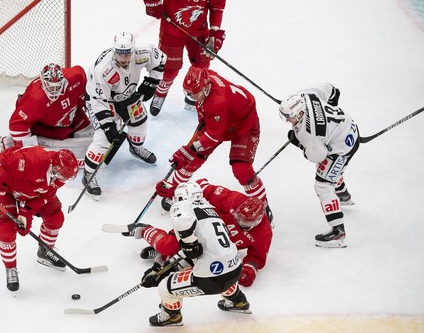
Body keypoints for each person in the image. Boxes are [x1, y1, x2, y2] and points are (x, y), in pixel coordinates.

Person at [155, 66, 273, 225]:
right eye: (187, 93)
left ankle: (261, 205)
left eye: (194, 93)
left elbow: (213, 136)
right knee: (189, 160)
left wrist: (188, 150)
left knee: (242, 170)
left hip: (244, 125)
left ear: (206, 87)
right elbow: (200, 66)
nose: (191, 97)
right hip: (218, 120)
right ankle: (175, 192)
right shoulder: (205, 78)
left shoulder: (216, 102)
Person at [139, 182, 251, 327]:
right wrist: (163, 269)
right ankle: (238, 300)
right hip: (235, 269)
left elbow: (185, 227)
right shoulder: (210, 210)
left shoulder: (183, 207)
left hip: (212, 279)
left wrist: (189, 243)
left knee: (165, 287)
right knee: (220, 266)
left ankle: (171, 316)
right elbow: (197, 253)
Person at [134, 178, 272, 288]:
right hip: (198, 227)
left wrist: (249, 269)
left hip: (216, 249)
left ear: (257, 221)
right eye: (238, 217)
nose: (240, 222)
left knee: (190, 267)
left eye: (246, 222)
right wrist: (174, 191)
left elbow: (257, 257)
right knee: (167, 246)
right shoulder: (234, 200)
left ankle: (163, 254)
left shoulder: (264, 233)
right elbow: (202, 188)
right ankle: (145, 230)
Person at [142, 0, 228, 115]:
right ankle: (161, 93)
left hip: (199, 31)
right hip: (172, 29)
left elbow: (217, 8)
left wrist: (214, 33)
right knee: (170, 69)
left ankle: (192, 95)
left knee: (202, 66)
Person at [82, 31, 167, 199]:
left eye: (127, 53)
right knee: (103, 138)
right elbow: (99, 100)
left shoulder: (142, 52)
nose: (123, 57)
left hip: (128, 95)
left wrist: (152, 81)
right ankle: (88, 175)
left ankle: (135, 148)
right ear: (114, 51)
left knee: (140, 122)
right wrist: (108, 125)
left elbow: (161, 59)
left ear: (132, 49)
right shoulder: (103, 69)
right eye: (120, 53)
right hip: (101, 100)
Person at [0, 146, 79, 291]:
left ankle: (45, 252)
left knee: (56, 218)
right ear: (54, 166)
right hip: (5, 188)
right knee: (6, 231)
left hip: (30, 192)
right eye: (62, 175)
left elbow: (45, 196)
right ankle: (11, 269)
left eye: (66, 177)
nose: (63, 180)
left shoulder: (61, 175)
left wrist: (26, 212)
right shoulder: (32, 160)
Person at [279, 83, 359, 248]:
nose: (287, 120)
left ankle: (338, 232)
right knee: (327, 170)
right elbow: (331, 90)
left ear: (300, 113)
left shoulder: (308, 132)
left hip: (342, 147)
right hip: (348, 126)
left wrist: (300, 144)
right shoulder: (305, 96)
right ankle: (342, 194)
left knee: (322, 185)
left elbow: (317, 156)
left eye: (289, 117)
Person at [2, 63, 92, 149]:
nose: (54, 91)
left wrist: (85, 103)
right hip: (45, 124)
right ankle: (8, 143)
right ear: (43, 83)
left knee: (88, 130)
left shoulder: (76, 77)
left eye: (57, 87)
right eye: (51, 87)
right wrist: (26, 151)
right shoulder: (35, 98)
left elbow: (81, 75)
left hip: (71, 113)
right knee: (65, 139)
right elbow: (17, 123)